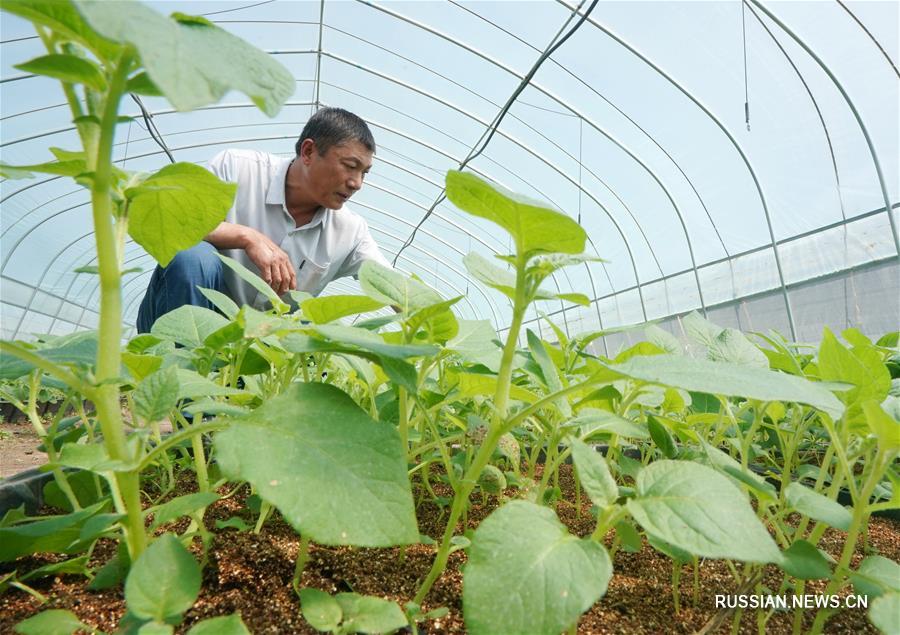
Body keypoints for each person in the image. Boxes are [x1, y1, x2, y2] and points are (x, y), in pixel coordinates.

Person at [136, 107, 390, 333]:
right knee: (192, 256)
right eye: (350, 166)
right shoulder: (236, 169)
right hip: (179, 316)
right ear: (308, 151)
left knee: (310, 323)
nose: (357, 183)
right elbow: (175, 221)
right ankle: (179, 365)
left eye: (364, 173)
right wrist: (246, 237)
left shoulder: (350, 232)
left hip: (256, 350)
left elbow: (393, 285)